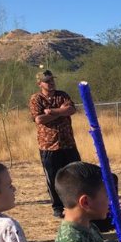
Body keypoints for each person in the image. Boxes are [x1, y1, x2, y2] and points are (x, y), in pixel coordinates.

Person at [28, 69, 81, 218]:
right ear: (40, 84)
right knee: (53, 178)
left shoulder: (62, 95)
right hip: (48, 146)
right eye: (47, 81)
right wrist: (60, 112)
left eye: (52, 80)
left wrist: (51, 112)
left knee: (75, 174)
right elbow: (39, 119)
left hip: (68, 144)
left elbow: (71, 109)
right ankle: (58, 206)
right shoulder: (36, 99)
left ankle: (75, 204)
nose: (51, 83)